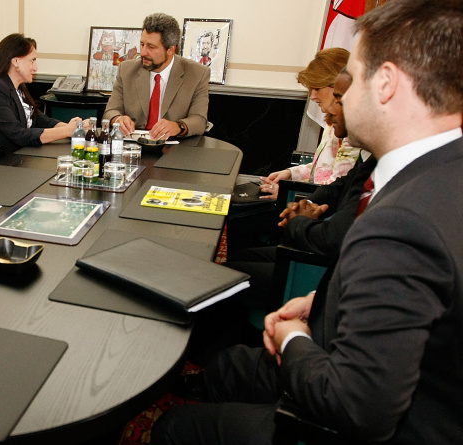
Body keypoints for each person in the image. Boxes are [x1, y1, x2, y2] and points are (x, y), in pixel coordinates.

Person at [152, 1, 463, 444]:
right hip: (347, 342)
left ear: (387, 84)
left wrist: (296, 338)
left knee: (174, 429)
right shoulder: (441, 174)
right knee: (233, 369)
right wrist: (323, 300)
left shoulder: (403, 222)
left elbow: (357, 407)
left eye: (351, 79)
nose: (340, 96)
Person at [225, 69, 375, 312]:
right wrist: (304, 204)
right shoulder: (370, 157)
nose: (329, 110)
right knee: (238, 256)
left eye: (339, 100)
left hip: (321, 272)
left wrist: (297, 219)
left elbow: (331, 239)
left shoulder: (380, 167)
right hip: (317, 245)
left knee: (224, 275)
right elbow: (338, 187)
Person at [259, 48, 366, 200]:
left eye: (317, 88)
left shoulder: (351, 131)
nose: (312, 96)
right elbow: (321, 170)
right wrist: (290, 174)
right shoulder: (332, 123)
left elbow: (335, 189)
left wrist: (288, 194)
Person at [103, 13, 210, 140]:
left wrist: (177, 126)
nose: (142, 52)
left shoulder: (197, 73)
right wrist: (118, 119)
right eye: (142, 44)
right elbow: (110, 112)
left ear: (170, 49)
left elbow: (199, 120)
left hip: (175, 149)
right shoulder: (126, 70)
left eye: (151, 47)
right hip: (133, 146)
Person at [0, 33, 86, 152]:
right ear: (16, 61)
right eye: (32, 60)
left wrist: (75, 129)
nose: (35, 68)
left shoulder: (19, 88)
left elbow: (40, 119)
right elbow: (19, 135)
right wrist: (66, 131)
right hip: (1, 162)